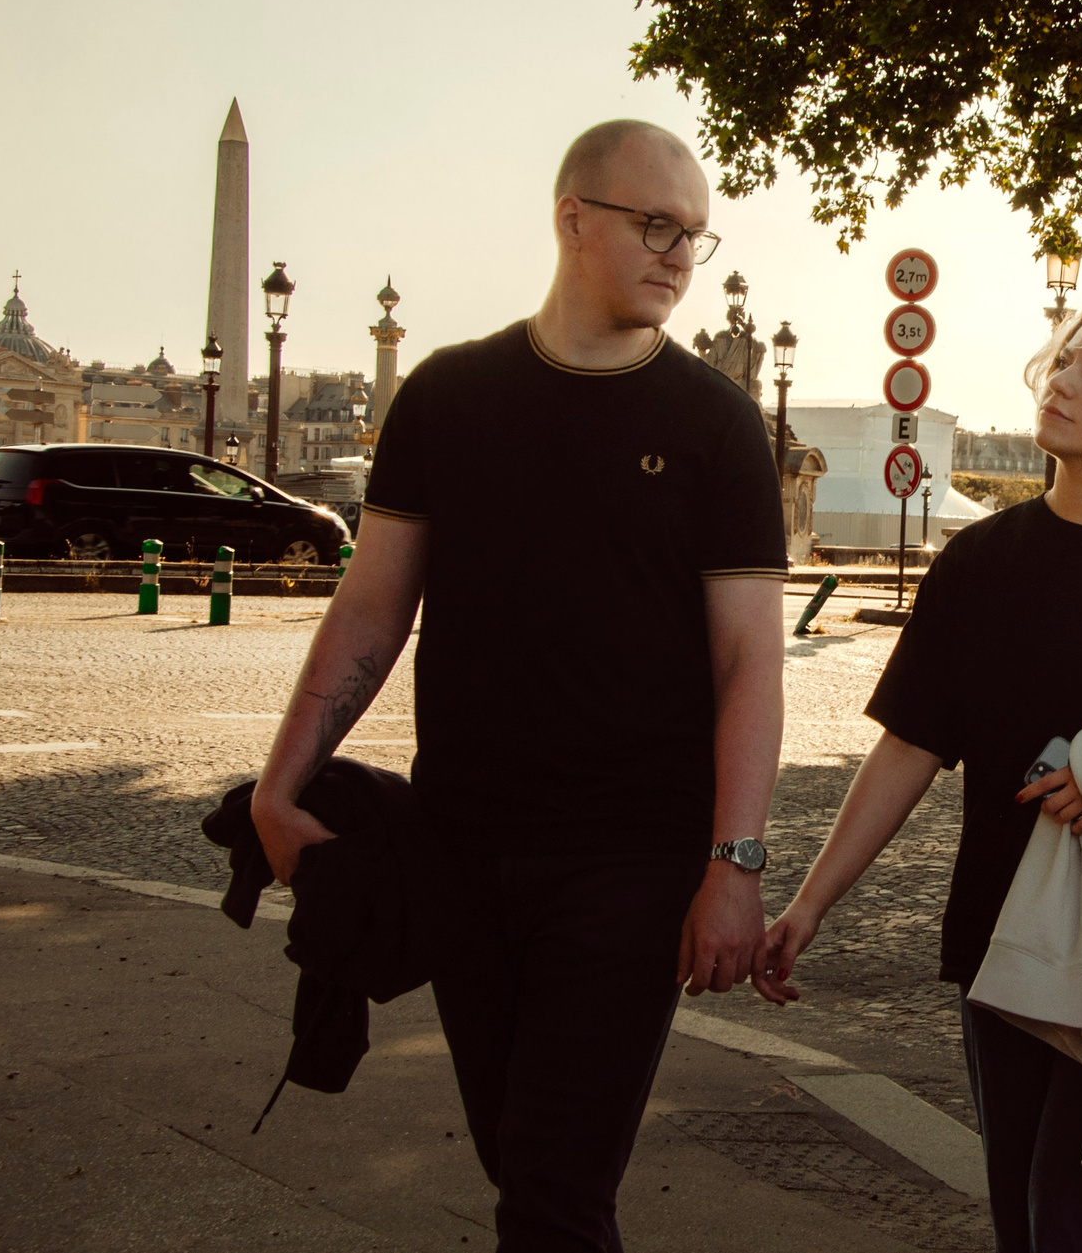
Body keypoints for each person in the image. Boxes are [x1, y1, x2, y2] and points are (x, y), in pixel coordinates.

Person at [248, 120, 788, 1252]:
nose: (679, 254)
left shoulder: (717, 425)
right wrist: (280, 782)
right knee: (515, 1157)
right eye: (654, 225)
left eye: (694, 233)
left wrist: (733, 867)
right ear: (571, 218)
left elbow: (749, 663)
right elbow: (372, 606)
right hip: (462, 844)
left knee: (552, 1187)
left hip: (632, 858)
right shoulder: (448, 395)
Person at [754, 282, 1082, 1253]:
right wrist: (809, 904)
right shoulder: (981, 563)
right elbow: (909, 743)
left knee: (1079, 1223)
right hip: (999, 945)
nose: (1064, 385)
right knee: (1024, 1222)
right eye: (1066, 363)